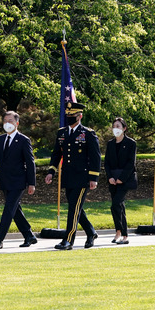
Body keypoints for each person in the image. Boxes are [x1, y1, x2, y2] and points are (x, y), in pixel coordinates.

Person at [46, 102, 101, 250]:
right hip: (68, 176)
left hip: (82, 177)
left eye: (73, 116)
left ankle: (68, 240)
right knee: (75, 207)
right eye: (68, 115)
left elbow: (95, 157)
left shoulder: (88, 133)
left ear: (80, 116)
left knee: (73, 209)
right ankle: (91, 232)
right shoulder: (62, 133)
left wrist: (93, 178)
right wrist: (51, 171)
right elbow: (56, 154)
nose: (70, 118)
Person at [0, 111, 37, 249]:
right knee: (15, 209)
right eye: (5, 121)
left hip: (18, 181)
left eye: (10, 121)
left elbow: (30, 163)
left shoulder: (24, 140)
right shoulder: (0, 139)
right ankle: (29, 236)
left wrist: (32, 183)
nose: (7, 123)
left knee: (8, 209)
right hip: (5, 181)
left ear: (17, 123)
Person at [104, 117, 137, 245]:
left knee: (116, 204)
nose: (115, 128)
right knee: (118, 206)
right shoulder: (110, 144)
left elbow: (130, 163)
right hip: (112, 180)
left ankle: (124, 234)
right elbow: (106, 163)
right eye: (114, 126)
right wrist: (110, 177)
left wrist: (121, 178)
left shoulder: (131, 143)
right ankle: (119, 232)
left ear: (124, 128)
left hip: (125, 180)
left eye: (118, 126)